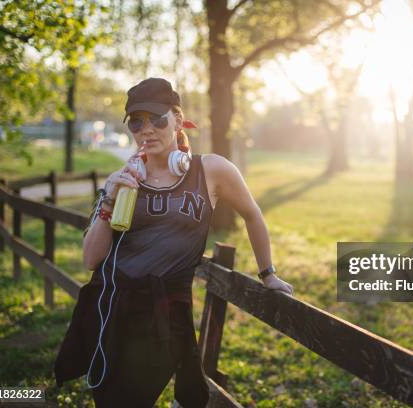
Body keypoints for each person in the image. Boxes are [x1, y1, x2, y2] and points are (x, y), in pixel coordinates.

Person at [54, 78, 294, 408]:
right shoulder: (122, 179)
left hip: (165, 314)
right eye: (137, 122)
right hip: (112, 307)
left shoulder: (210, 170)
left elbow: (252, 215)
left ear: (178, 120)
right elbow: (92, 259)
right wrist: (108, 200)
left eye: (157, 119)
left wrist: (267, 273)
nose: (146, 129)